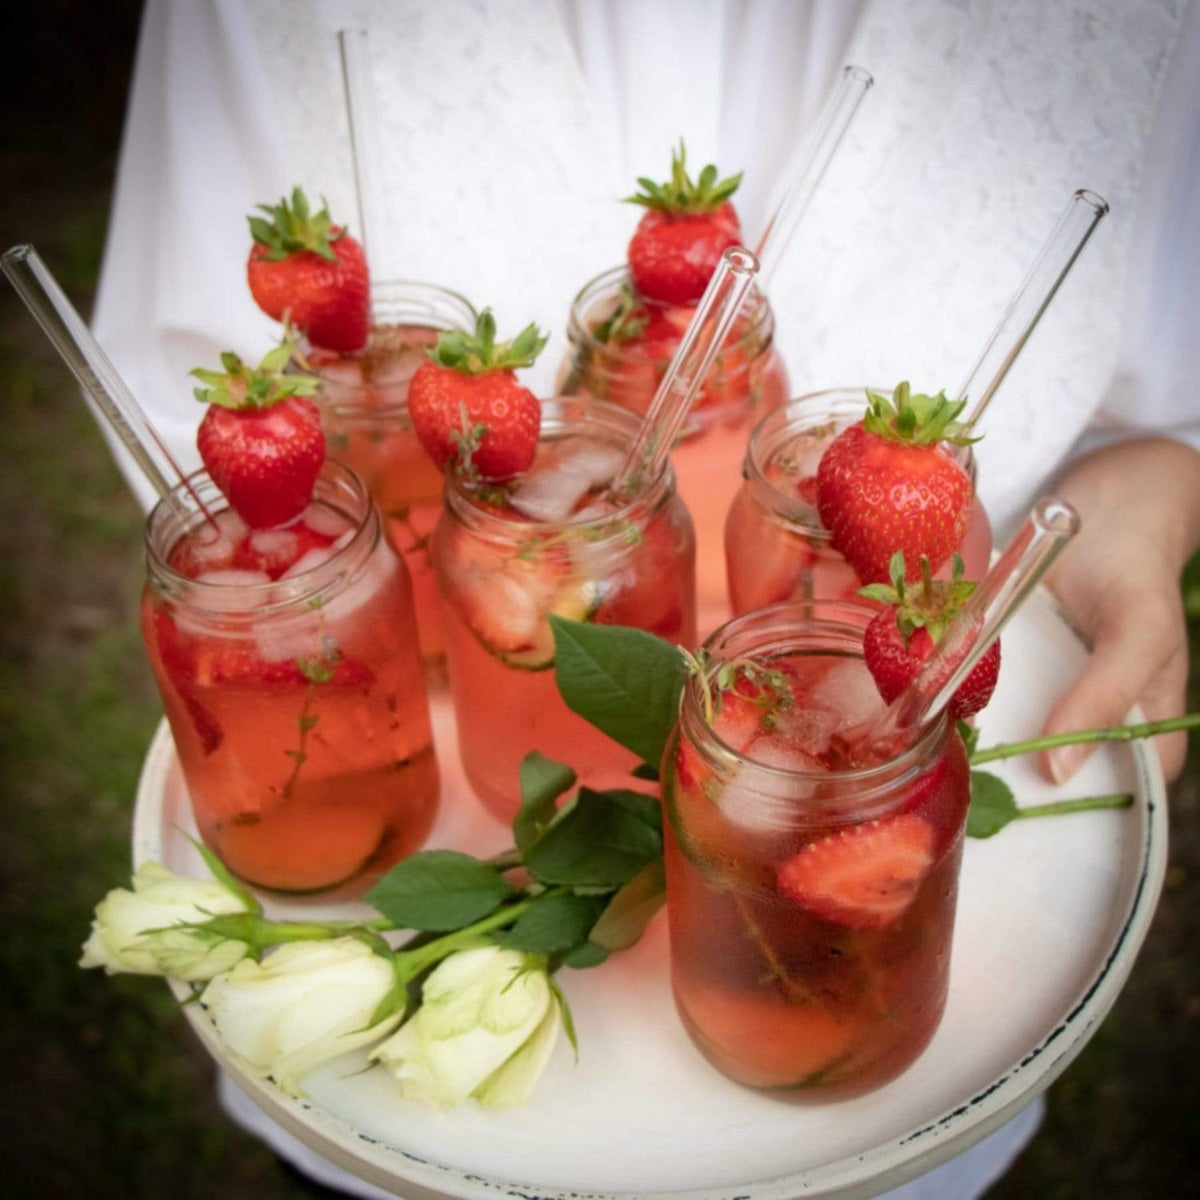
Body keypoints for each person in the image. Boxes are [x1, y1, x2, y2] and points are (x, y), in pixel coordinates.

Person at [91, 1, 1200, 1196]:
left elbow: (1157, 418)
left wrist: (1132, 551)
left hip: (845, 758)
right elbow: (197, 438)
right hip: (454, 1056)